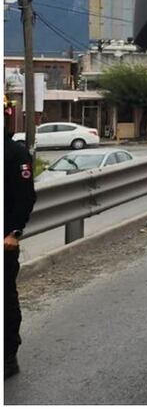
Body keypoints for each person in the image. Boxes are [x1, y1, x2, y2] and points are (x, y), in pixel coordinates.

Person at [4, 96, 36, 379]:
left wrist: (14, 232)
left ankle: (8, 356)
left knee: (5, 299)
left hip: (4, 240)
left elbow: (25, 197)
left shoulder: (15, 154)